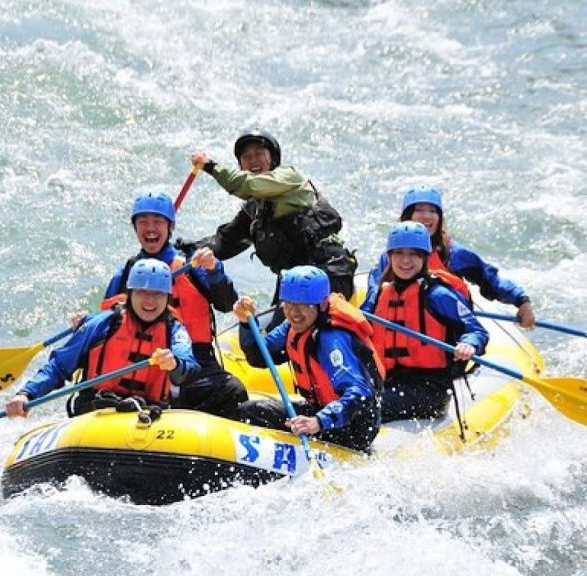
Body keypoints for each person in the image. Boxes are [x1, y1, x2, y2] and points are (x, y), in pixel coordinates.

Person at [99, 191, 248, 420]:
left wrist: (215, 270)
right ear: (135, 228)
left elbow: (227, 304)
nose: (150, 229)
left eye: (157, 222)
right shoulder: (128, 273)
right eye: (143, 222)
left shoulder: (192, 264)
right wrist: (83, 323)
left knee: (232, 391)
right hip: (144, 358)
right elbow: (104, 326)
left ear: (171, 227)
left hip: (195, 359)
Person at [188, 130, 357, 326]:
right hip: (294, 282)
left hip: (328, 273)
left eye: (259, 153)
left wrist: (210, 166)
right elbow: (223, 242)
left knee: (304, 337)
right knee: (266, 348)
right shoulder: (254, 211)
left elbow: (247, 185)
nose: (253, 161)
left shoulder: (290, 177)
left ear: (272, 158)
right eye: (246, 157)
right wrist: (187, 250)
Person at [6, 259, 199, 419]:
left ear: (167, 297)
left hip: (150, 413)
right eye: (142, 292)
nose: (150, 301)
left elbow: (189, 368)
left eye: (157, 294)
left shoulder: (175, 330)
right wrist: (27, 394)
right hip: (97, 409)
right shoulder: (101, 323)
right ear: (130, 294)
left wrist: (174, 365)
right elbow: (59, 366)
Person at [232, 266, 383, 452]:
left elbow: (360, 394)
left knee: (254, 412)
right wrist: (247, 324)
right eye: (288, 304)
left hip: (352, 427)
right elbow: (259, 356)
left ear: (321, 305)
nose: (294, 312)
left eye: (303, 305)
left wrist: (318, 421)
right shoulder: (293, 326)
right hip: (320, 411)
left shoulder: (332, 339)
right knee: (251, 410)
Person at [361, 222, 490, 422]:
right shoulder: (380, 294)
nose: (406, 260)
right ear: (390, 257)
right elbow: (356, 326)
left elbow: (476, 331)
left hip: (429, 389)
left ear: (425, 257)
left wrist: (469, 344)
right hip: (389, 382)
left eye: (414, 254)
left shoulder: (437, 294)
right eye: (399, 253)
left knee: (364, 406)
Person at [368, 187, 536, 328]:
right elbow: (372, 297)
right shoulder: (390, 258)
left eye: (433, 211)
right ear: (407, 217)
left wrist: (522, 301)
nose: (427, 216)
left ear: (439, 218)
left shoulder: (453, 253)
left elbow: (490, 280)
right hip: (403, 332)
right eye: (419, 210)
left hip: (446, 334)